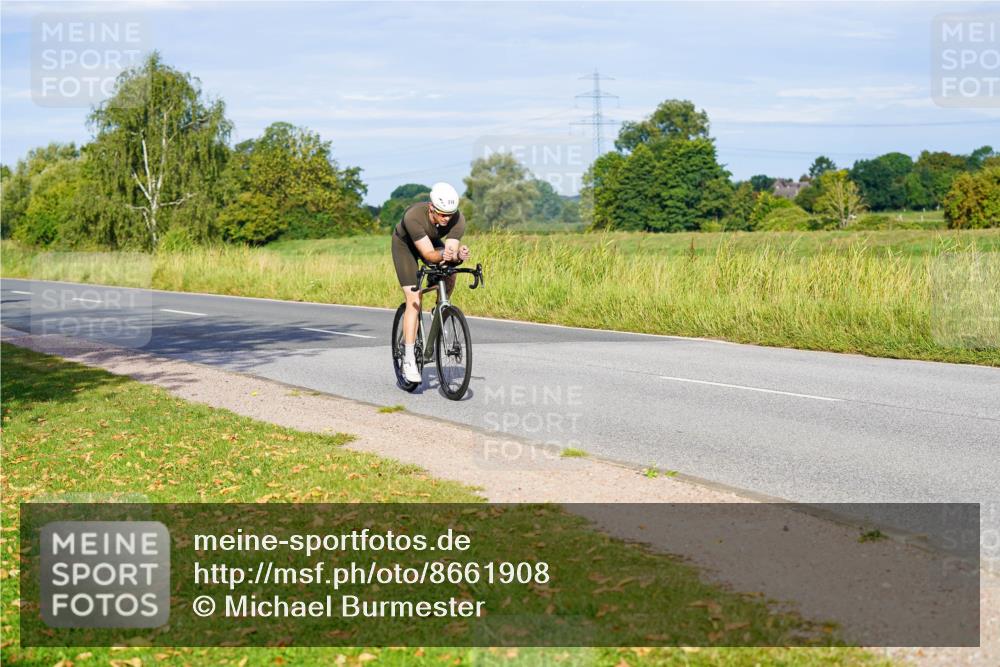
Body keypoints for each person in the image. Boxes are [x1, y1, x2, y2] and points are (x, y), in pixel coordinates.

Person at [391, 182, 471, 383]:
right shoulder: (413, 217)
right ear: (431, 208)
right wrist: (446, 254)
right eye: (442, 214)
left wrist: (458, 255)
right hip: (406, 247)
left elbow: (449, 252)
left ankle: (440, 309)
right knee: (414, 298)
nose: (446, 219)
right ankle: (409, 359)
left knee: (450, 271)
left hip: (432, 243)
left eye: (450, 215)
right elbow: (428, 254)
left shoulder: (457, 219)